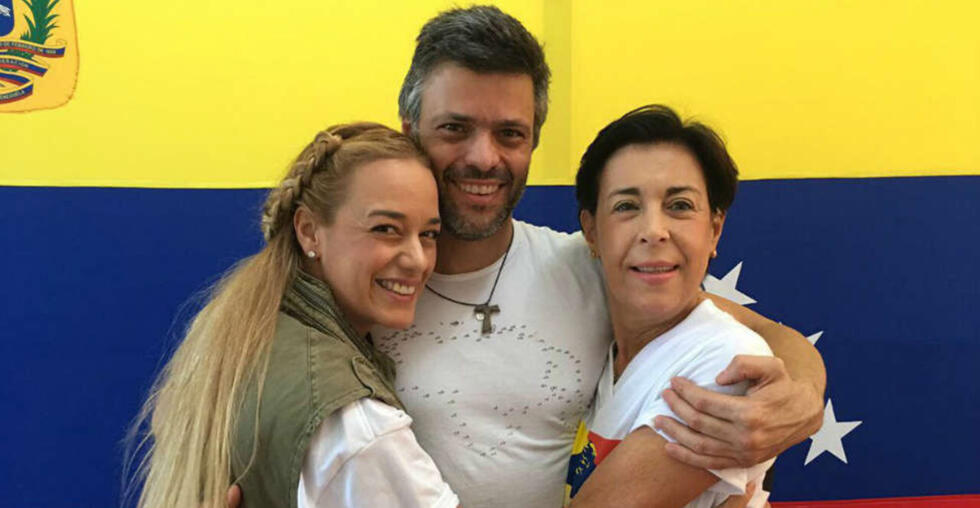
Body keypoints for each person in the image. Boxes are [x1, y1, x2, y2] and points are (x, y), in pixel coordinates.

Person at [229, 5, 826, 508]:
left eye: (509, 134)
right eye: (455, 128)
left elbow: (754, 331)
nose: (484, 158)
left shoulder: (589, 265)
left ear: (534, 140)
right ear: (409, 128)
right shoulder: (360, 291)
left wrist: (802, 397)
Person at [128, 123, 460, 508]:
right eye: (386, 229)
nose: (418, 260)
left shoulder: (241, 330)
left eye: (429, 234)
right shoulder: (356, 424)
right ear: (309, 231)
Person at [565, 105, 774, 507]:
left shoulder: (726, 362)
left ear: (714, 230)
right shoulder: (603, 353)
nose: (654, 231)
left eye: (679, 206)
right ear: (591, 232)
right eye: (626, 206)